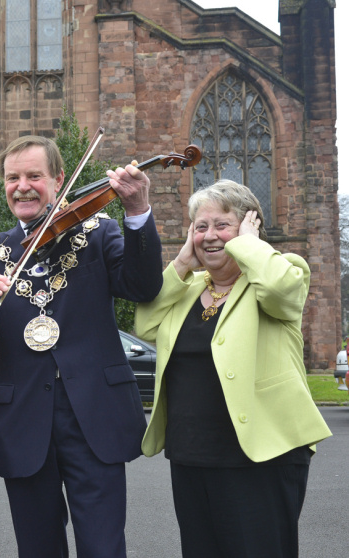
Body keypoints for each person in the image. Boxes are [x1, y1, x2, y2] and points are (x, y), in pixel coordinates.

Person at [0, 135, 163, 557]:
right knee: (37, 548)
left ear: (59, 180)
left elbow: (142, 285)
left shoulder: (98, 231)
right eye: (12, 178)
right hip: (24, 418)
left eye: (34, 176)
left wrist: (136, 211)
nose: (22, 186)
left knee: (103, 547)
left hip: (93, 413)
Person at [134, 179, 332, 558]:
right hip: (191, 455)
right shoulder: (187, 288)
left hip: (261, 455)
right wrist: (180, 263)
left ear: (247, 226)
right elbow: (144, 323)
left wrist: (247, 245)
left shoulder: (280, 272)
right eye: (201, 226)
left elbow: (279, 291)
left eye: (222, 225)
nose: (210, 236)